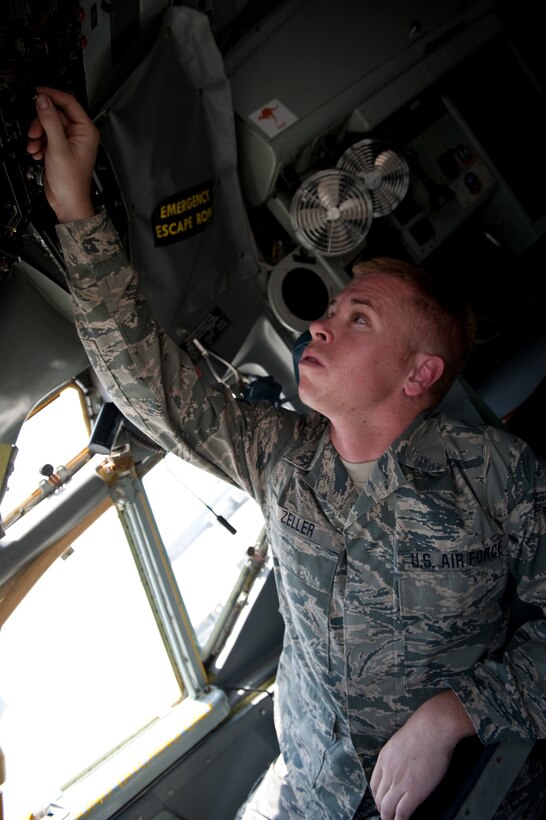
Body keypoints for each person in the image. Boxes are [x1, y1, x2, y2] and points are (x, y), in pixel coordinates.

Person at [27, 88, 546, 820]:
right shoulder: (282, 457)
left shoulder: (497, 474)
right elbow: (147, 386)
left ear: (418, 374)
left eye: (356, 318)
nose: (321, 327)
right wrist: (76, 209)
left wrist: (457, 713)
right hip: (312, 799)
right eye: (331, 311)